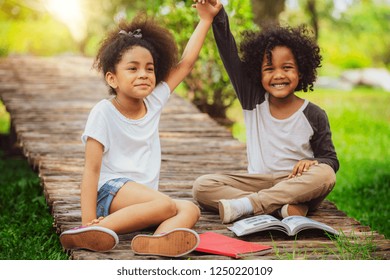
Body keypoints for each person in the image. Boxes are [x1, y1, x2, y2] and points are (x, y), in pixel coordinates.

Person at [59, 1, 219, 258]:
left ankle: (157, 241)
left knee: (190, 209)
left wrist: (206, 20)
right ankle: (94, 231)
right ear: (112, 78)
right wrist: (88, 220)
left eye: (150, 68)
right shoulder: (104, 112)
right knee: (165, 203)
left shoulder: (153, 102)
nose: (143, 74)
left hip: (145, 202)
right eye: (132, 69)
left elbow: (186, 63)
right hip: (109, 192)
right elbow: (91, 169)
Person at [192, 1, 339, 224]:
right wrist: (218, 15)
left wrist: (316, 162)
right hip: (257, 181)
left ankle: (249, 205)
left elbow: (330, 160)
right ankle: (280, 210)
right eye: (269, 69)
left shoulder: (314, 114)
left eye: (287, 68)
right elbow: (229, 53)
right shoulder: (253, 99)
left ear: (301, 72)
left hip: (296, 184)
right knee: (202, 186)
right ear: (257, 74)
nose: (278, 75)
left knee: (326, 174)